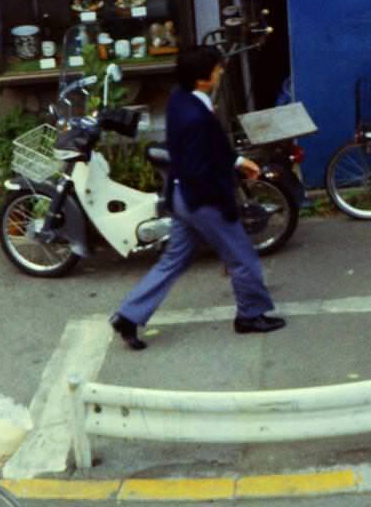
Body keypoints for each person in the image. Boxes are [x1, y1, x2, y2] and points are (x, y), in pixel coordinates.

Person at [109, 45, 285, 350]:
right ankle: (250, 315)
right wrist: (227, 205)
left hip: (180, 195)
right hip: (202, 200)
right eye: (217, 68)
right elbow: (202, 166)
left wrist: (238, 162)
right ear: (203, 78)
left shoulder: (180, 99)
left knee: (173, 261)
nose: (220, 72)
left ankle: (129, 315)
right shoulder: (198, 117)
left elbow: (206, 148)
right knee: (242, 257)